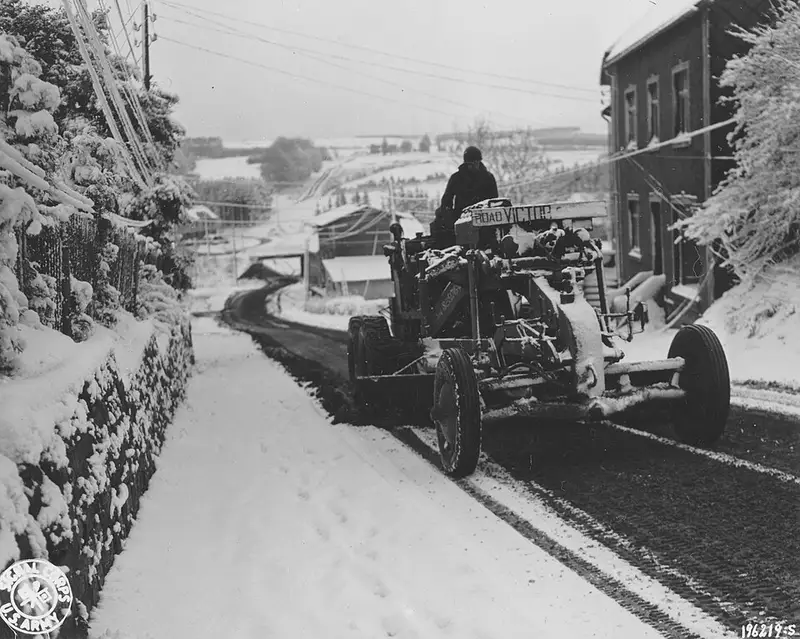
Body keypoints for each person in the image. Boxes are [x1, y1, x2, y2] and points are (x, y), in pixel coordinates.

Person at [433, 146, 498, 233]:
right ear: (466, 163)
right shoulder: (456, 178)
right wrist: (451, 221)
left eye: (476, 162)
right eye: (470, 163)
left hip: (485, 221)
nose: (473, 166)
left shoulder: (488, 178)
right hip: (462, 220)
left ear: (479, 161)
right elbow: (446, 202)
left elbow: (494, 201)